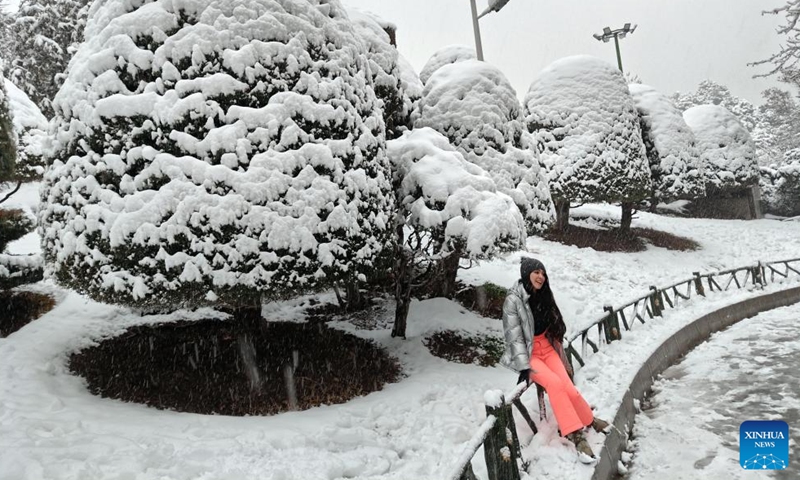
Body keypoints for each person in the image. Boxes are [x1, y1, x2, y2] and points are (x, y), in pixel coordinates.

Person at [500, 257, 609, 461]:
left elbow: (553, 322)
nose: (541, 277)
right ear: (526, 274)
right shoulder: (513, 300)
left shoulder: (543, 295)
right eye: (536, 272)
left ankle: (588, 419)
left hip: (547, 349)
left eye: (543, 273)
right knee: (555, 385)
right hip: (529, 353)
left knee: (569, 388)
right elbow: (513, 337)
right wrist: (524, 366)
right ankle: (574, 433)